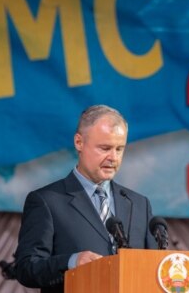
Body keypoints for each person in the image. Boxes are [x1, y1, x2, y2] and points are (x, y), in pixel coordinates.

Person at [14, 105, 157, 292]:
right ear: (79, 142)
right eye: (105, 148)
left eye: (119, 149)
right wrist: (72, 261)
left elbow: (154, 266)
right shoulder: (46, 201)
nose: (113, 157)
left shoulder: (139, 204)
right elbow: (26, 268)